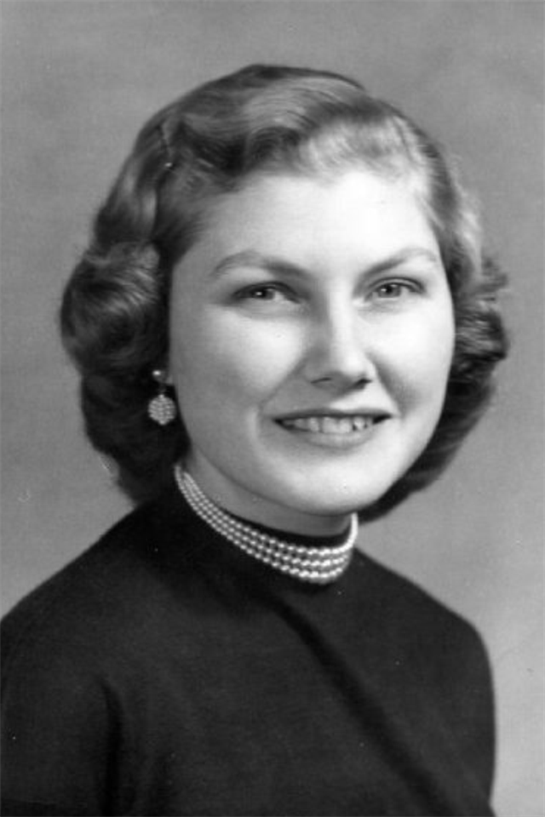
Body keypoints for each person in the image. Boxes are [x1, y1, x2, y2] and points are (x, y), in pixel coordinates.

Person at [0, 64, 507, 817]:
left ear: (454, 322)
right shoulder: (63, 673)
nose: (341, 359)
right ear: (156, 336)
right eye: (266, 292)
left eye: (390, 288)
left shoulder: (445, 653)